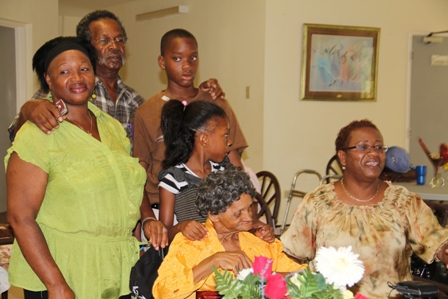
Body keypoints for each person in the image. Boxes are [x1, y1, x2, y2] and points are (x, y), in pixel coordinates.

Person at [11, 10, 223, 248]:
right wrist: (29, 109)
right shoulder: (69, 89)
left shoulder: (136, 101)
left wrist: (144, 219)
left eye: (119, 40)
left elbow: (138, 163)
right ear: (88, 48)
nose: (114, 46)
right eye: (104, 40)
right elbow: (18, 136)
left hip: (125, 221)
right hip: (74, 222)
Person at [5, 36, 146, 299]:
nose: (77, 78)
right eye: (64, 71)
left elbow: (127, 188)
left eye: (84, 69)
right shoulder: (38, 132)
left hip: (117, 269)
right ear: (49, 79)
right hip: (64, 270)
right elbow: (20, 217)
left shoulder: (111, 127)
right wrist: (56, 284)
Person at [281, 119, 448, 299]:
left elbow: (436, 241)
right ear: (343, 157)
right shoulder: (318, 202)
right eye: (363, 147)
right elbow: (292, 256)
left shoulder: (403, 201)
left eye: (378, 147)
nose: (373, 153)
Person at [133, 28, 248, 208]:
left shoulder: (217, 103)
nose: (187, 65)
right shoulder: (146, 112)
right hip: (163, 207)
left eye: (193, 58)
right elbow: (138, 174)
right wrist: (147, 219)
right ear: (162, 62)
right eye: (177, 58)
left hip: (215, 205)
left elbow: (234, 162)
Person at [153, 166, 306, 299]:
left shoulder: (259, 243)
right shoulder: (192, 243)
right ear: (214, 214)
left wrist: (266, 279)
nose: (248, 217)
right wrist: (214, 261)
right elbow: (162, 291)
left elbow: (303, 275)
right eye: (238, 213)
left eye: (249, 208)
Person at [158, 100, 273, 243]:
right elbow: (164, 232)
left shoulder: (225, 171)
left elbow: (244, 214)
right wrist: (181, 227)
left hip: (232, 247)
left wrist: (258, 228)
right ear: (204, 139)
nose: (230, 141)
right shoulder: (174, 179)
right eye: (225, 135)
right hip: (198, 256)